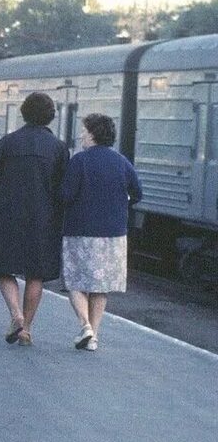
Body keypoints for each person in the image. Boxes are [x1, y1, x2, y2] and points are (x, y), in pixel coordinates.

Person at [0, 91, 69, 347]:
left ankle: (15, 314)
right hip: (43, 219)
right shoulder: (59, 149)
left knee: (2, 268)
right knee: (35, 275)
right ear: (51, 117)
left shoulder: (7, 143)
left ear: (24, 113)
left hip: (8, 214)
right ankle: (26, 328)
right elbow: (62, 190)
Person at [61, 113, 142, 352]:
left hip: (81, 232)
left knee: (75, 282)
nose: (81, 136)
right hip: (113, 235)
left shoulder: (79, 161)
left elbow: (65, 195)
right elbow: (137, 193)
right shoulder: (122, 162)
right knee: (100, 287)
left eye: (84, 131)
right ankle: (93, 337)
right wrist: (117, 202)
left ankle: (85, 326)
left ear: (94, 134)